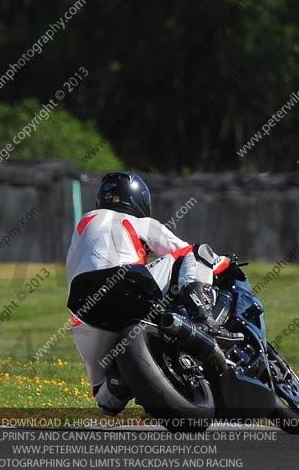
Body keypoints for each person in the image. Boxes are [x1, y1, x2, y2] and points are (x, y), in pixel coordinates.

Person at [65, 171, 236, 415]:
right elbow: (183, 250)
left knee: (104, 401)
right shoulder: (139, 222)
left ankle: (117, 384)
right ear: (138, 199)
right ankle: (202, 314)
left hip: (82, 311)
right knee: (196, 252)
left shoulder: (81, 227)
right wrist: (225, 263)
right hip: (126, 284)